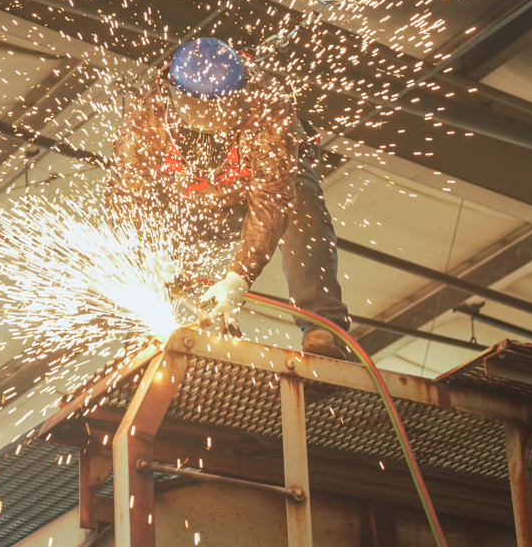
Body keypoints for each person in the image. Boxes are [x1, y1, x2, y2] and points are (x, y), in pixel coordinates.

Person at [106, 37, 350, 359]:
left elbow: (272, 198)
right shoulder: (148, 113)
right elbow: (127, 194)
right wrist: (150, 254)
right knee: (143, 242)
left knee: (300, 193)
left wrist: (238, 279)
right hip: (190, 204)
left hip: (253, 198)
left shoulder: (269, 103)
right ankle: (140, 342)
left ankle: (322, 328)